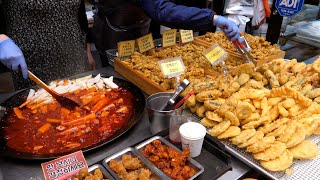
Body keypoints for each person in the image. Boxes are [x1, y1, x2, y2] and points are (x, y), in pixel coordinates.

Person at [93, 0, 241, 66]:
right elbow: (162, 10)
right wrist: (212, 18)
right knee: (122, 78)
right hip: (115, 32)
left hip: (139, 27)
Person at [0, 0, 95, 90]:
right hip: (33, 63)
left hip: (75, 56)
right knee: (35, 103)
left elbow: (80, 15)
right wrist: (1, 39)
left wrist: (87, 50)